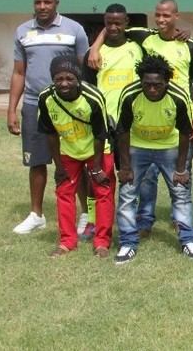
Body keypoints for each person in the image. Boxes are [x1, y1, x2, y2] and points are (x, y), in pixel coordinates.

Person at [88, 0, 193, 235]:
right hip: (148, 114)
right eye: (158, 15)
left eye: (167, 16)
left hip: (180, 116)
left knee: (182, 171)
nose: (161, 20)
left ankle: (180, 218)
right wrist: (94, 47)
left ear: (176, 16)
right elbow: (112, 27)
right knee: (148, 175)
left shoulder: (190, 45)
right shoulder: (145, 36)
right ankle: (145, 218)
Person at [10, 0, 89, 234]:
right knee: (37, 161)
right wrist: (12, 109)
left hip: (67, 106)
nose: (42, 6)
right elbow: (19, 72)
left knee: (75, 160)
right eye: (38, 2)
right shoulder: (23, 31)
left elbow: (84, 69)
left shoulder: (74, 29)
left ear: (56, 2)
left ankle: (86, 213)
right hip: (35, 104)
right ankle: (36, 214)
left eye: (47, 2)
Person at [115, 55, 193, 264]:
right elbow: (123, 131)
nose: (152, 89)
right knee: (128, 194)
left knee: (180, 193)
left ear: (167, 82)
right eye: (147, 84)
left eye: (158, 85)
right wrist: (125, 166)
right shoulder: (130, 95)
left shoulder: (178, 97)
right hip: (138, 147)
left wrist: (181, 168)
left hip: (169, 147)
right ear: (140, 81)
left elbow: (185, 133)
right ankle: (128, 242)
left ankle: (188, 240)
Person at [38, 56, 115, 258]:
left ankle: (102, 242)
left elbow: (101, 134)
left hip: (96, 150)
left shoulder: (93, 97)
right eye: (58, 79)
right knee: (64, 192)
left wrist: (97, 167)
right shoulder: (46, 98)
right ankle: (67, 242)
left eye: (69, 78)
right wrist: (59, 166)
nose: (64, 83)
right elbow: (50, 133)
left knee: (103, 192)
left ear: (78, 78)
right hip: (68, 150)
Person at [81, 3, 144, 239]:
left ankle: (130, 218)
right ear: (104, 25)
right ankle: (92, 220)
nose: (114, 27)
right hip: (103, 124)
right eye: (109, 23)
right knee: (97, 174)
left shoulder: (138, 48)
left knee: (130, 173)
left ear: (127, 23)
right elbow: (86, 90)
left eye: (119, 22)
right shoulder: (93, 54)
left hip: (131, 124)